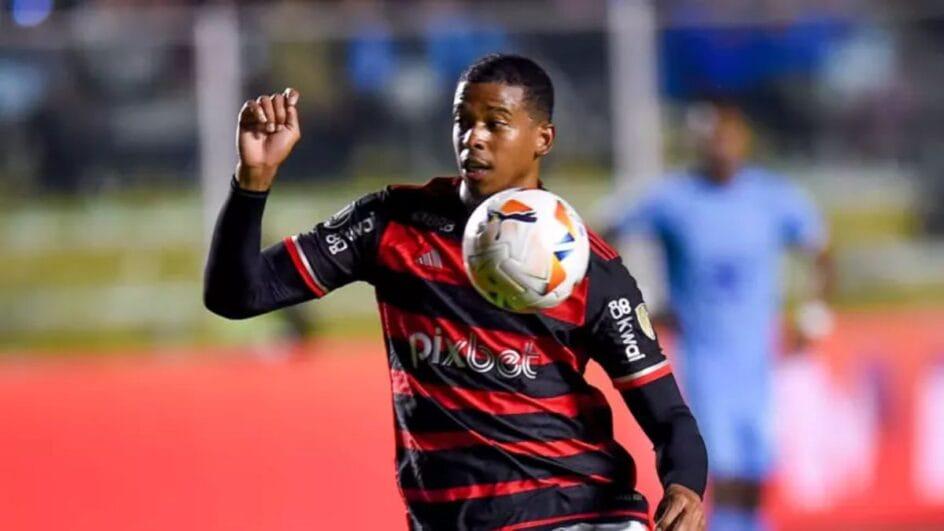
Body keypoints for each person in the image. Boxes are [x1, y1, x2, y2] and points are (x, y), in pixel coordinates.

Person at [204, 54, 707, 531]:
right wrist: (254, 179)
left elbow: (668, 414)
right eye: (462, 120)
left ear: (543, 138)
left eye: (495, 122)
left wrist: (684, 485)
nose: (474, 138)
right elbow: (238, 294)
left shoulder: (588, 268)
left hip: (577, 512)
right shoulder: (391, 222)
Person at [606, 101, 834, 531]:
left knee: (756, 467)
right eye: (713, 137)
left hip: (760, 358)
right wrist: (643, 300)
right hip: (704, 357)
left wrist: (813, 315)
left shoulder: (772, 196)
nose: (722, 146)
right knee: (720, 463)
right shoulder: (673, 198)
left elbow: (821, 251)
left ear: (744, 139)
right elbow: (607, 230)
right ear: (699, 143)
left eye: (730, 135)